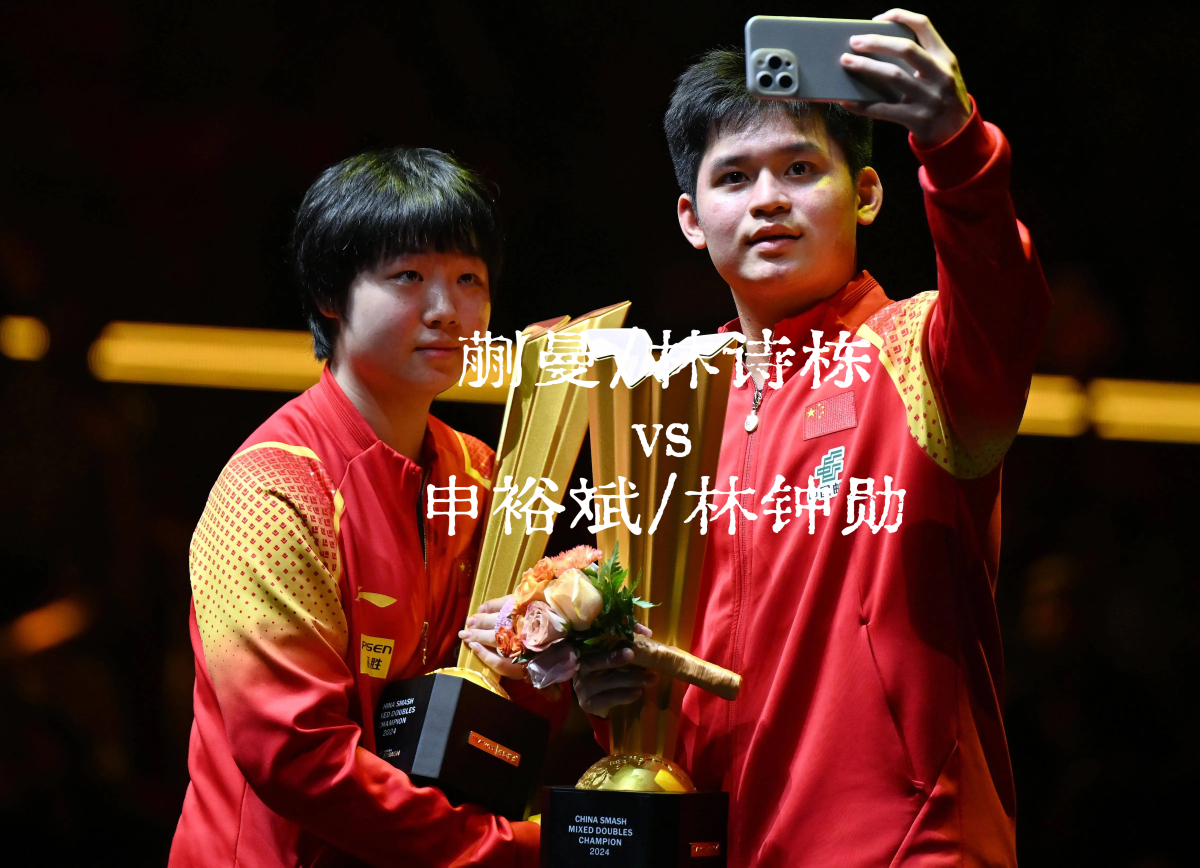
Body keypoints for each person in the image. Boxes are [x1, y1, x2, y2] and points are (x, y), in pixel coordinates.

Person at [573, 9, 1050, 866]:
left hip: (904, 848)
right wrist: (604, 685)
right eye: (734, 177)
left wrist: (955, 145)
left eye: (799, 168)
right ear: (691, 218)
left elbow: (998, 292)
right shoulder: (670, 407)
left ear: (864, 193)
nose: (767, 199)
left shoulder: (921, 356)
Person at [169, 148, 556, 868]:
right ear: (330, 295)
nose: (446, 311)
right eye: (408, 276)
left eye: (468, 279)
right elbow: (297, 758)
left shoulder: (479, 473)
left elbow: (506, 699)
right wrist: (514, 852)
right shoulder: (272, 492)